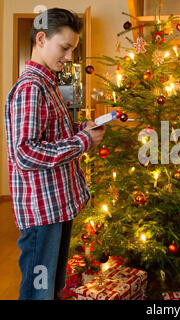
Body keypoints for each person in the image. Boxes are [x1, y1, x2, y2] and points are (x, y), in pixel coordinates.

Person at [4, 8, 105, 300]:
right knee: (39, 291)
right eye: (64, 47)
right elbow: (26, 152)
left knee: (52, 287)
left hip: (55, 205)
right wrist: (83, 141)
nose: (69, 56)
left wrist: (79, 128)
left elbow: (51, 132)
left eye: (72, 49)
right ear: (41, 39)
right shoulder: (30, 88)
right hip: (41, 212)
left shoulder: (48, 84)